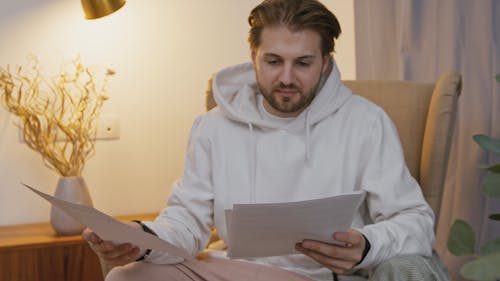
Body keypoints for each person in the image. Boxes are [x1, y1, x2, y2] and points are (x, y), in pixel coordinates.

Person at [83, 0, 450, 280]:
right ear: (253, 57)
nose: (286, 78)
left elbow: (414, 220)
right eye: (274, 61)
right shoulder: (212, 127)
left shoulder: (366, 122)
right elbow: (186, 221)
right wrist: (141, 237)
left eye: (303, 63)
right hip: (236, 271)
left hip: (325, 275)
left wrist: (368, 245)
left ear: (325, 62)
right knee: (127, 276)